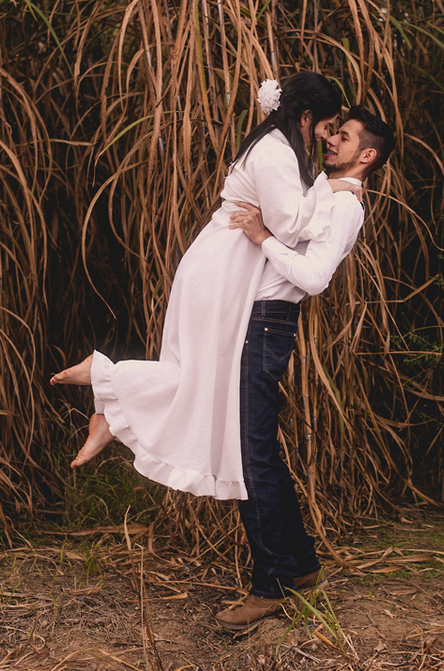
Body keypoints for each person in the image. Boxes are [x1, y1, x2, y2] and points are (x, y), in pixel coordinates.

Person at [49, 72, 358, 501]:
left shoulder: (277, 148)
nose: (324, 139)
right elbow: (288, 227)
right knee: (199, 376)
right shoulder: (273, 153)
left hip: (227, 266)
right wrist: (333, 186)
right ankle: (108, 382)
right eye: (325, 127)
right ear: (306, 117)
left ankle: (109, 397)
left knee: (199, 377)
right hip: (223, 269)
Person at [214, 105, 396, 628]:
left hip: (269, 323)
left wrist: (260, 237)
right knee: (259, 453)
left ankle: (269, 585)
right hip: (257, 321)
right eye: (331, 132)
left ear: (366, 155)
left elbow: (315, 277)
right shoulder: (327, 192)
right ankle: (302, 567)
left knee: (251, 460)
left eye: (342, 137)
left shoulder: (346, 208)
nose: (330, 142)